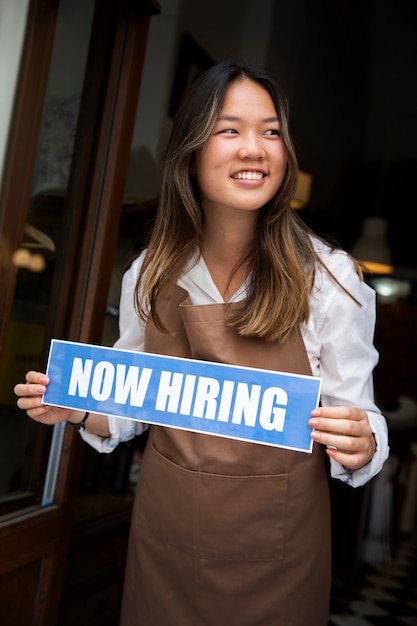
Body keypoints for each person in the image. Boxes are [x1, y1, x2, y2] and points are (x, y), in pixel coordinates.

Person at [15, 61, 389, 626]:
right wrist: (78, 408)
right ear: (190, 151)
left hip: (275, 563)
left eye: (270, 132)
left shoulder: (330, 278)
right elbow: (126, 411)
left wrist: (363, 441)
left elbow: (360, 417)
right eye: (230, 129)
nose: (254, 149)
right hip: (163, 548)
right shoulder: (150, 273)